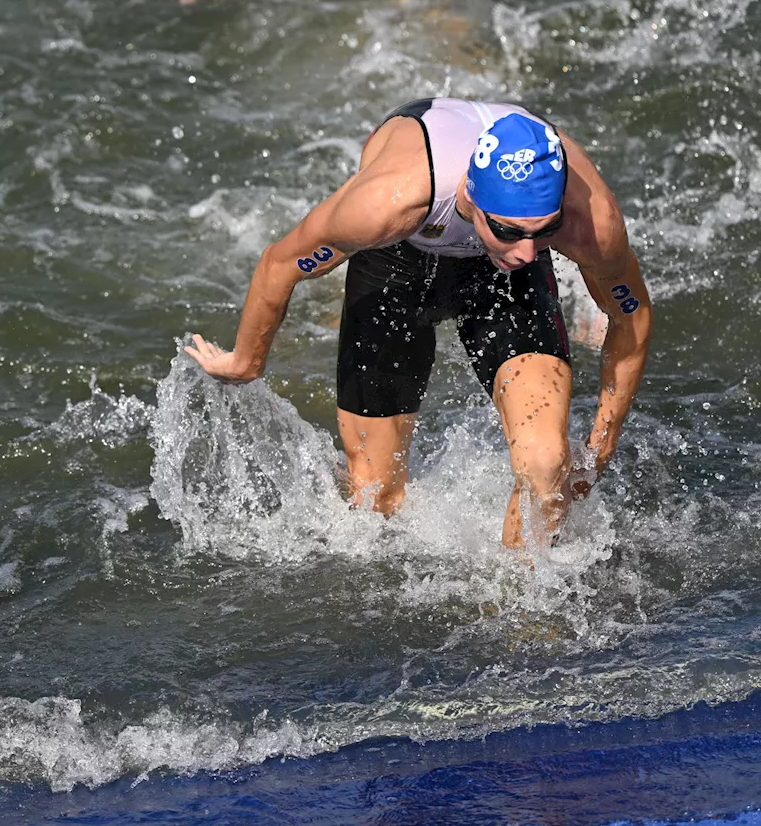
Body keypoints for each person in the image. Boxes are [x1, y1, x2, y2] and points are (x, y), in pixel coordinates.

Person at [186, 98, 652, 549]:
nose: (528, 250)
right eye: (509, 229)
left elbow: (630, 314)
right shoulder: (387, 204)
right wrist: (246, 362)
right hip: (399, 259)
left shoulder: (586, 219)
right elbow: (280, 263)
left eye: (544, 231)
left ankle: (521, 617)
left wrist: (600, 446)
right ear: (470, 193)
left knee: (547, 464)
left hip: (505, 283)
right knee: (375, 501)